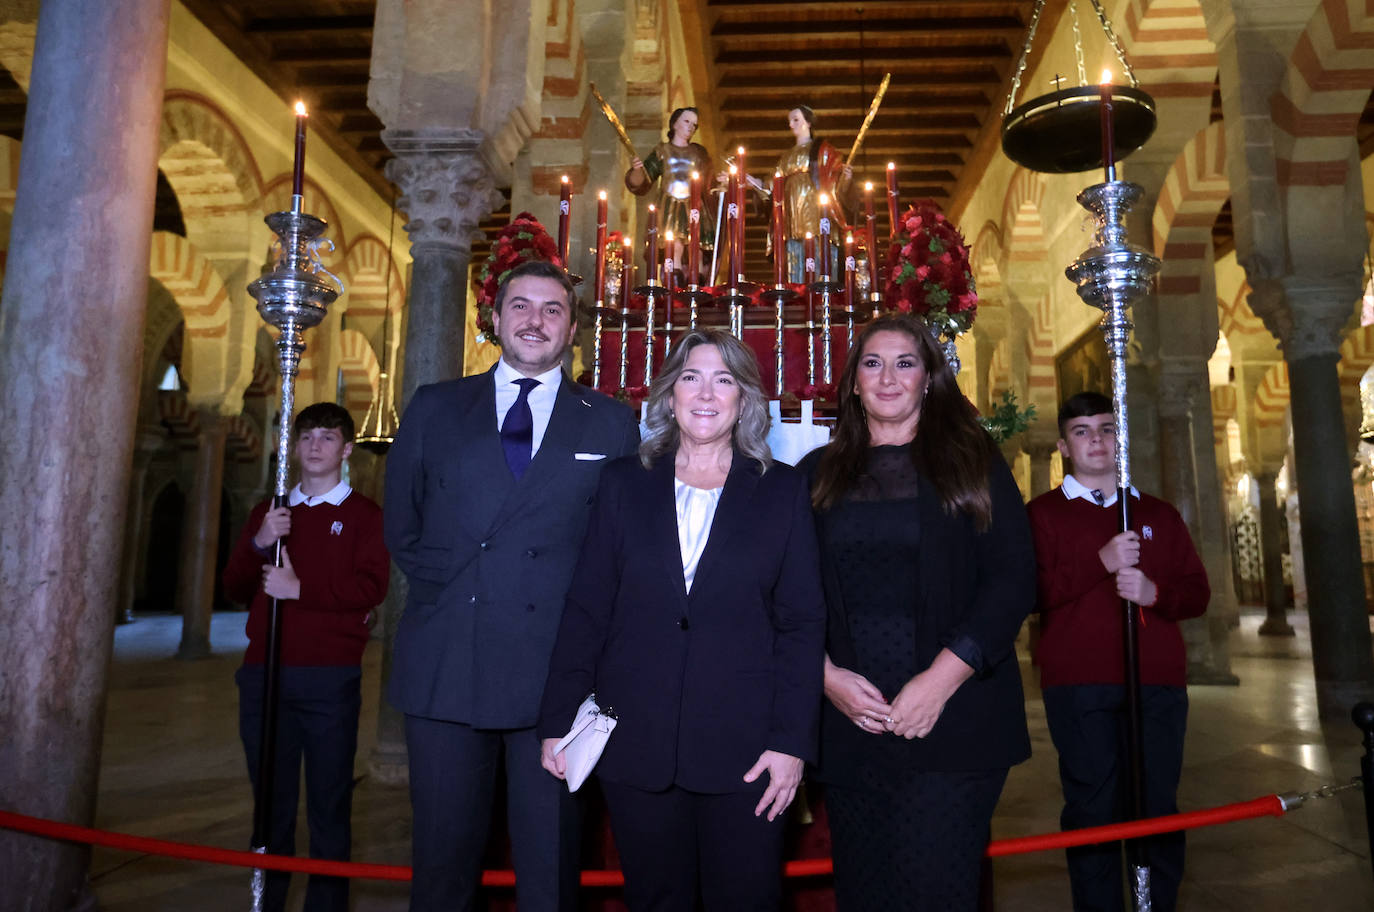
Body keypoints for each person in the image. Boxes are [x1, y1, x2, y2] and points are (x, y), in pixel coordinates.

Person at [537, 328, 826, 911]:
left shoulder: (783, 492)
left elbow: (801, 625)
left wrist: (792, 743)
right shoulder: (623, 483)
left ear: (744, 399)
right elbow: (587, 607)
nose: (705, 393)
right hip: (636, 743)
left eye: (724, 380)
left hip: (747, 752)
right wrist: (557, 719)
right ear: (670, 395)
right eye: (691, 377)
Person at [384, 258, 640, 912]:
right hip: (448, 662)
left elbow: (621, 549)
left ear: (572, 328)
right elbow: (402, 524)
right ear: (494, 319)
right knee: (441, 868)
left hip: (556, 677)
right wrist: (463, 584)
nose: (536, 321)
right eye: (521, 306)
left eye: (552, 310)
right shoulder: (437, 406)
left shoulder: (611, 423)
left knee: (550, 870)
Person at [798, 313, 1035, 910]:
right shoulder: (813, 476)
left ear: (928, 378)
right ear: (852, 382)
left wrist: (938, 682)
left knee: (935, 892)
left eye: (905, 363)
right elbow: (784, 596)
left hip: (954, 720)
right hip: (853, 727)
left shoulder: (971, 461)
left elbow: (1013, 579)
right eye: (872, 364)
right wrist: (826, 681)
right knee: (865, 893)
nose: (887, 378)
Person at [1027, 392, 1209, 912]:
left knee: (1157, 807)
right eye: (1082, 431)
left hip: (1155, 682)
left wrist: (1157, 595)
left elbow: (1197, 592)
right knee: (1092, 809)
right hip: (1079, 684)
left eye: (1107, 429)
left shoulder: (1156, 513)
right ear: (1064, 445)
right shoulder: (1041, 515)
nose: (1097, 441)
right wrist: (1099, 561)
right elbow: (1029, 595)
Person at [224, 402, 390, 912]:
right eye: (306, 437)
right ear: (294, 447)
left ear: (346, 449)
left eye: (327, 437)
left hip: (328, 681)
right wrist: (259, 542)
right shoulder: (270, 512)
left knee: (328, 805)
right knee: (270, 806)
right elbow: (233, 588)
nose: (315, 445)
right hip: (264, 676)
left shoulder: (364, 516)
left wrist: (301, 588)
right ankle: (266, 901)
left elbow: (371, 587)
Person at [626, 106, 715, 281]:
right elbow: (644, 180)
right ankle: (672, 282)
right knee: (673, 246)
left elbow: (710, 181)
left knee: (694, 247)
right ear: (675, 123)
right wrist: (637, 170)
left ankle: (695, 283)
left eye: (694, 125)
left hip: (694, 207)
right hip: (669, 207)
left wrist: (722, 182)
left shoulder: (698, 154)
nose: (690, 127)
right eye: (686, 121)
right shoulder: (662, 151)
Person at [773, 104, 855, 281]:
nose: (791, 125)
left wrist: (845, 178)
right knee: (795, 261)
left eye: (796, 120)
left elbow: (836, 182)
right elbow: (773, 186)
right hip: (792, 219)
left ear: (808, 122)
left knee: (820, 260)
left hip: (817, 214)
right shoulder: (785, 157)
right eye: (790, 121)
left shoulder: (824, 152)